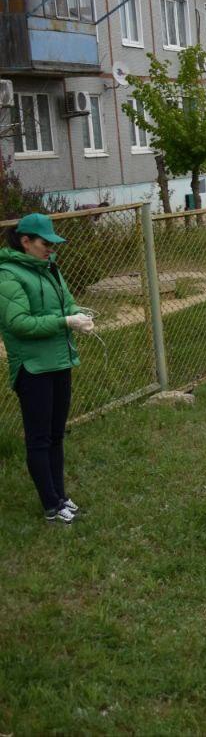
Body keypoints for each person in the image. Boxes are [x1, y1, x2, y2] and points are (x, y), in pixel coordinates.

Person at [0, 213, 95, 524]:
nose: (51, 249)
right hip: (34, 368)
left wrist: (78, 315)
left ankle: (61, 495)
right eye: (45, 243)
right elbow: (19, 323)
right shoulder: (8, 275)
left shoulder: (49, 268)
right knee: (39, 438)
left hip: (59, 361)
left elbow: (67, 302)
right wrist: (65, 322)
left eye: (53, 244)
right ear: (25, 241)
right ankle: (51, 506)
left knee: (56, 435)